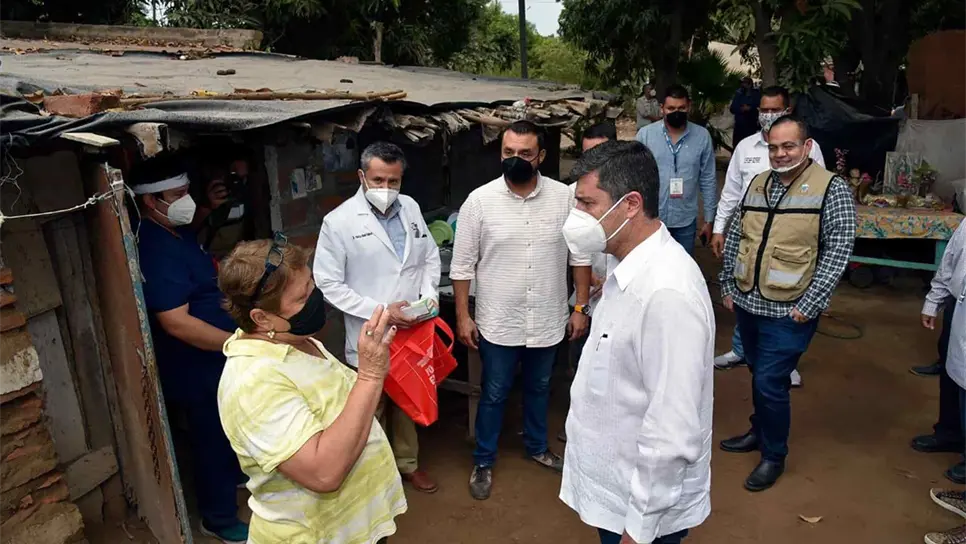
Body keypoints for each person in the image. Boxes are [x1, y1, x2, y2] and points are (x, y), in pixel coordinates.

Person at [560, 140, 713, 544]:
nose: (577, 217)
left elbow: (671, 430)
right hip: (615, 489)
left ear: (630, 204)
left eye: (587, 204)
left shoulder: (667, 293)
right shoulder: (623, 264)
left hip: (641, 513)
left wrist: (638, 530)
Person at [217, 239, 406, 543]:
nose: (315, 298)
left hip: (351, 530)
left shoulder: (294, 340)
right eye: (302, 297)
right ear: (261, 318)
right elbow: (323, 473)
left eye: (311, 285)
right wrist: (370, 376)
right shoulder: (253, 383)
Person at [450, 120, 592, 500]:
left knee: (540, 386)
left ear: (541, 156)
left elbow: (580, 256)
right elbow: (462, 267)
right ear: (500, 153)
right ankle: (483, 459)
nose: (516, 159)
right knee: (494, 391)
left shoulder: (564, 198)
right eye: (509, 152)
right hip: (499, 321)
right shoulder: (479, 201)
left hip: (546, 318)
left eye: (525, 153)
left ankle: (536, 446)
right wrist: (463, 316)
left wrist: (579, 306)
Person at [718, 116, 856, 491]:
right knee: (758, 373)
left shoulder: (831, 189)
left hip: (790, 309)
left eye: (788, 146)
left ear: (806, 147)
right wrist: (727, 283)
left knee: (769, 380)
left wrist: (811, 304)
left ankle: (773, 455)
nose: (780, 154)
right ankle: (758, 431)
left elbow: (838, 250)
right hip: (749, 301)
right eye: (774, 147)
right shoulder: (759, 183)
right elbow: (737, 233)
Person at [129, 154, 248, 543]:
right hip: (195, 367)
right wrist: (239, 343)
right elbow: (175, 321)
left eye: (187, 192)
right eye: (177, 194)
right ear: (151, 201)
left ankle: (233, 482)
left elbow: (192, 232)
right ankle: (217, 518)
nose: (187, 200)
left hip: (214, 359)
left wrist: (211, 208)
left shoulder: (175, 233)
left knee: (227, 429)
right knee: (211, 438)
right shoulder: (155, 248)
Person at [314, 141, 442, 493]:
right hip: (371, 331)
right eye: (378, 180)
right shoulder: (338, 222)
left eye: (394, 182)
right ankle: (371, 476)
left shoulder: (411, 208)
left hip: (412, 329)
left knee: (407, 401)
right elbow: (328, 283)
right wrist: (383, 313)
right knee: (370, 404)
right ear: (361, 176)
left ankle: (407, 465)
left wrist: (428, 296)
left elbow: (429, 255)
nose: (386, 189)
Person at [711, 86, 827, 388]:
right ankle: (742, 350)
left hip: (790, 241)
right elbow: (732, 192)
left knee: (784, 297)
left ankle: (784, 361)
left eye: (775, 110)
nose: (768, 115)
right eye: (764, 110)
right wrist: (719, 228)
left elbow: (819, 195)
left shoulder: (809, 150)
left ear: (787, 111)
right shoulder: (746, 147)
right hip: (749, 237)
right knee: (745, 293)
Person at [560, 121, 619, 443]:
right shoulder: (572, 195)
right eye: (586, 155)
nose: (591, 162)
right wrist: (581, 297)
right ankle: (581, 428)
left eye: (599, 154)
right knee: (582, 365)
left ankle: (610, 431)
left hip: (620, 297)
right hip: (586, 298)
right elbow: (572, 250)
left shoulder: (630, 195)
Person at [635, 84, 717, 255]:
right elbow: (635, 178)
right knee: (651, 270)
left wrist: (709, 219)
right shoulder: (645, 135)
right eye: (671, 108)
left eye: (681, 108)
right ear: (662, 108)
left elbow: (708, 179)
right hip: (652, 219)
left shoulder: (702, 137)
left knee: (682, 272)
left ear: (689, 107)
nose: (676, 112)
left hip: (685, 221)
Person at [914, 220, 966, 482]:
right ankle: (949, 432)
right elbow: (951, 260)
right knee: (950, 370)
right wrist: (934, 300)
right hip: (959, 306)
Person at [729, 77, 761, 148]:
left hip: (751, 125)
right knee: (737, 146)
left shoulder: (756, 94)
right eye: (742, 83)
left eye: (745, 83)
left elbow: (759, 106)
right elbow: (732, 108)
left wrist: (750, 108)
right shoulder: (738, 94)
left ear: (750, 84)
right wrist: (741, 109)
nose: (743, 85)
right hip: (739, 126)